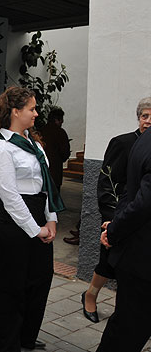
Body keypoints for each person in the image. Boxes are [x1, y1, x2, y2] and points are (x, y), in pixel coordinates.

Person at [0, 86, 63, 351]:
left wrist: (51, 219)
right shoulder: (2, 148)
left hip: (38, 210)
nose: (36, 113)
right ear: (16, 112)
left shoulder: (34, 143)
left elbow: (46, 184)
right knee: (12, 284)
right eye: (31, 108)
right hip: (11, 220)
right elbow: (9, 197)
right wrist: (35, 229)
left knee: (41, 278)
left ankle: (26, 337)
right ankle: (7, 343)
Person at [81, 97, 151, 323]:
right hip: (118, 217)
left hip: (139, 221)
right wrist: (111, 218)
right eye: (144, 116)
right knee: (108, 261)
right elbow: (107, 181)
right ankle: (90, 295)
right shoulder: (123, 142)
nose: (148, 121)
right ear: (138, 118)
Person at [97, 126, 151, 351]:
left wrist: (115, 227)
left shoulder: (145, 137)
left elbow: (132, 190)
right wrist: (115, 230)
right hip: (143, 259)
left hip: (136, 255)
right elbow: (143, 202)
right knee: (128, 331)